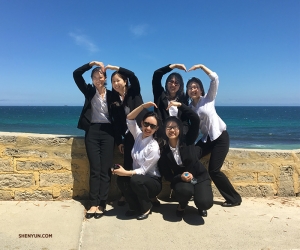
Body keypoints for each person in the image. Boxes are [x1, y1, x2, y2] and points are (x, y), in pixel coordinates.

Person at [186, 64, 242, 207]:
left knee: (214, 170)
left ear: (200, 89)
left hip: (220, 138)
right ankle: (195, 188)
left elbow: (215, 78)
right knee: (190, 157)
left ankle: (234, 198)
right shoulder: (191, 108)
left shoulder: (208, 98)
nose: (193, 89)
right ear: (187, 91)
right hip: (206, 140)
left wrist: (201, 67)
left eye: (195, 86)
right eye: (190, 87)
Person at [73, 61, 117, 219]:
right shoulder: (89, 91)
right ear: (92, 79)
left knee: (105, 169)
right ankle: (93, 203)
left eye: (101, 77)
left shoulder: (113, 95)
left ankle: (102, 203)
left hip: (108, 132)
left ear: (105, 78)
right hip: (92, 131)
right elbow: (76, 74)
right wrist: (90, 64)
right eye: (95, 77)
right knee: (95, 169)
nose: (99, 80)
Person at [158, 101, 213, 217]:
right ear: (164, 130)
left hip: (199, 176)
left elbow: (195, 120)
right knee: (184, 191)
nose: (172, 130)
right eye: (168, 127)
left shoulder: (188, 140)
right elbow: (167, 175)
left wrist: (181, 105)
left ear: (180, 129)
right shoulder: (164, 152)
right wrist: (180, 177)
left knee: (205, 203)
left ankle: (200, 204)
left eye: (174, 127)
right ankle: (182, 205)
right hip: (182, 181)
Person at [105, 64, 148, 207]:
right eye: (113, 81)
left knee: (145, 162)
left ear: (125, 81)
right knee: (128, 164)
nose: (116, 84)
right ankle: (126, 195)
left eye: (118, 80)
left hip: (143, 132)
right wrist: (119, 141)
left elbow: (133, 75)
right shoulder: (114, 99)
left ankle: (148, 195)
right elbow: (116, 123)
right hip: (128, 135)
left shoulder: (134, 91)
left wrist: (115, 67)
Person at [112, 102, 162, 220]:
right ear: (142, 123)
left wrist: (125, 172)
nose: (148, 128)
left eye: (152, 126)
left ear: (156, 129)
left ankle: (146, 207)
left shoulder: (153, 147)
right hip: (138, 178)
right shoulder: (138, 135)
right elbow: (129, 118)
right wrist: (143, 106)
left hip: (152, 182)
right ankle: (134, 207)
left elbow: (143, 170)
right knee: (121, 180)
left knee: (134, 179)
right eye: (146, 124)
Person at [152, 64, 189, 137]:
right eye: (171, 82)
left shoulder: (183, 100)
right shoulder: (159, 95)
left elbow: (185, 121)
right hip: (162, 137)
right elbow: (157, 74)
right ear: (166, 83)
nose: (173, 85)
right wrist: (174, 66)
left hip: (177, 137)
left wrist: (182, 135)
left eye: (176, 83)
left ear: (180, 86)